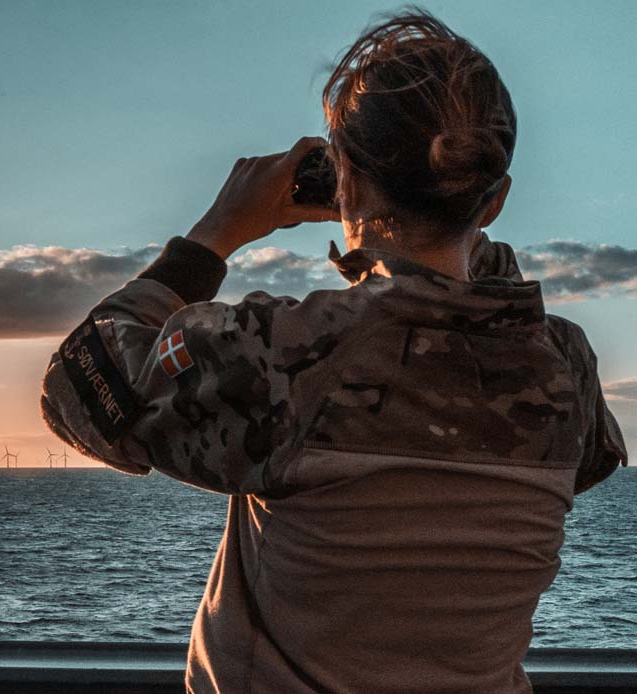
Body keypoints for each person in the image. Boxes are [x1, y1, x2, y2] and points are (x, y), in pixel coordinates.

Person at [39, 7, 627, 693]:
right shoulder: (565, 367)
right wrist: (460, 244)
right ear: (493, 202)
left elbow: (78, 389)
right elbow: (582, 449)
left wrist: (213, 235)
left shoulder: (288, 354)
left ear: (342, 177)